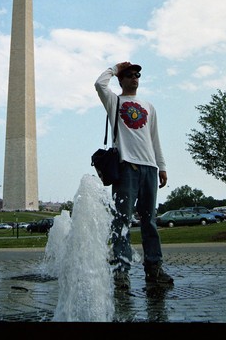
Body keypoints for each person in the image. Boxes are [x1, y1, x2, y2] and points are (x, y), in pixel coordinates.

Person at [95, 61, 174, 291]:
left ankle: (154, 268)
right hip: (126, 168)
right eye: (129, 75)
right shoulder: (114, 102)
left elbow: (155, 138)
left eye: (137, 74)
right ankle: (121, 272)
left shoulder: (149, 106)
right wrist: (114, 68)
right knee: (122, 222)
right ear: (121, 79)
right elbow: (99, 84)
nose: (134, 78)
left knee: (149, 222)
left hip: (149, 168)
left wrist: (162, 166)